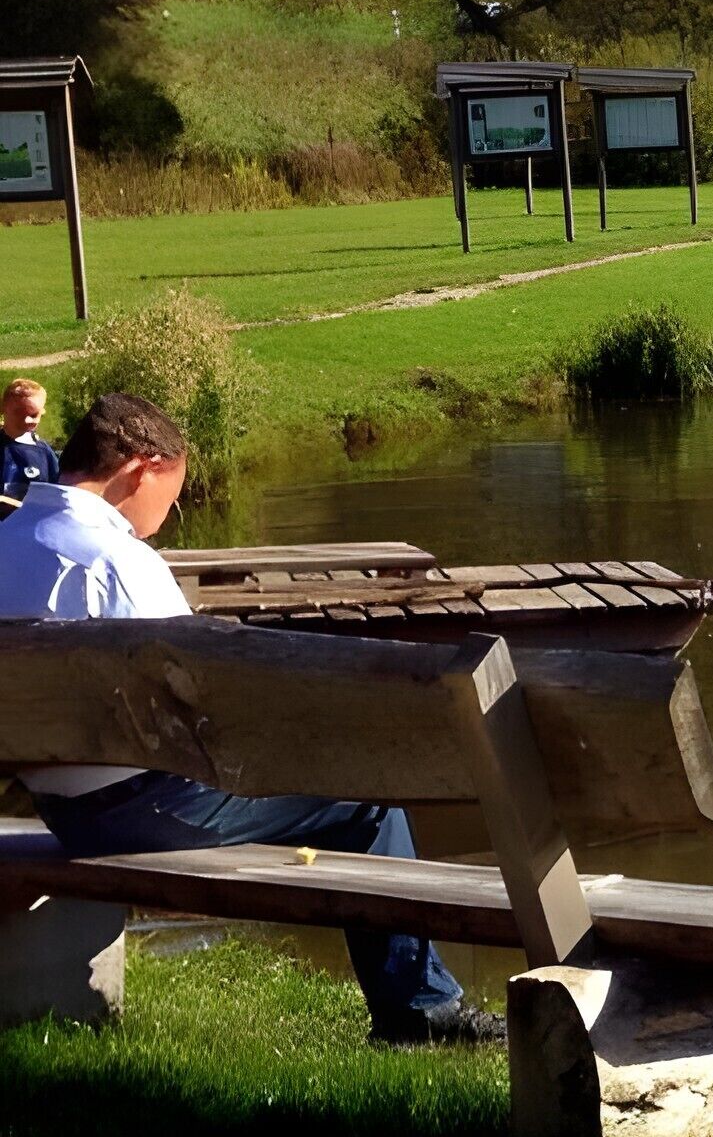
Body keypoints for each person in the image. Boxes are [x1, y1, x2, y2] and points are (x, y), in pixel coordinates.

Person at [0, 392, 502, 1046]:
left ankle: (418, 1005)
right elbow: (208, 713)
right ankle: (419, 1011)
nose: (168, 515)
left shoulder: (7, 541)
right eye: (172, 497)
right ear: (141, 470)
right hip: (145, 815)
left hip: (61, 812)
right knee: (366, 807)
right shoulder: (118, 563)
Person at [0, 380, 55, 510]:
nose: (26, 420)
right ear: (3, 409)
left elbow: (56, 491)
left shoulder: (43, 453)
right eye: (19, 413)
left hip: (28, 524)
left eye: (34, 415)